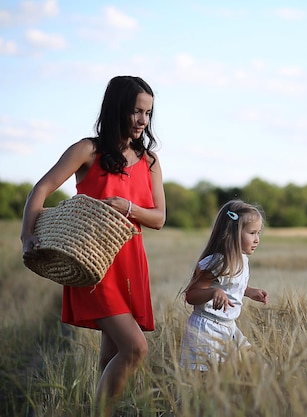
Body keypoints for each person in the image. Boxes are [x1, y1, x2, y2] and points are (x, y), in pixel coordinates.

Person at [20, 76, 166, 415]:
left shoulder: (151, 161)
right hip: (92, 264)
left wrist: (126, 207)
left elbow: (159, 218)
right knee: (135, 349)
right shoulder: (88, 150)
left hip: (130, 263)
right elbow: (39, 190)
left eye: (147, 113)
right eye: (135, 111)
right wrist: (27, 235)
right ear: (116, 109)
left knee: (110, 355)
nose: (142, 121)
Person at [181, 199, 268, 370]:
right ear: (233, 233)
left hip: (229, 327)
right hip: (207, 329)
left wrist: (249, 291)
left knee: (260, 368)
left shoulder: (242, 259)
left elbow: (231, 285)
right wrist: (213, 293)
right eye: (252, 233)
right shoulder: (219, 262)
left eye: (258, 233)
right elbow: (191, 295)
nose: (257, 239)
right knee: (206, 381)